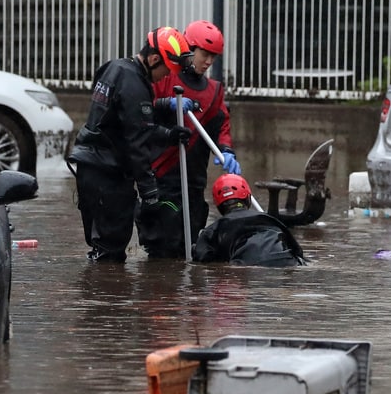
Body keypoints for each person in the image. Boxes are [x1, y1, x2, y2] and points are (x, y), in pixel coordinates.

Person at [67, 26, 196, 262]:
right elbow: (137, 145)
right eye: (167, 69)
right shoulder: (135, 84)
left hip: (89, 169)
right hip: (109, 177)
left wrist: (168, 135)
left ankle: (93, 295)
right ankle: (104, 297)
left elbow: (124, 121)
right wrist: (150, 194)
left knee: (100, 247)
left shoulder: (114, 67)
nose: (167, 76)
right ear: (154, 58)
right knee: (110, 255)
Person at [137, 19, 238, 258]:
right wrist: (166, 105)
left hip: (193, 179)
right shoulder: (165, 79)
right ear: (190, 49)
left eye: (214, 56)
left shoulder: (214, 91)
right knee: (163, 244)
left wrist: (226, 150)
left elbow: (221, 124)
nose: (209, 62)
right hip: (163, 176)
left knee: (190, 241)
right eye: (205, 54)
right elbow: (142, 111)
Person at [193, 174, 306, 267]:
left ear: (218, 205)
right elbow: (298, 251)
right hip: (287, 261)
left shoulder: (215, 228)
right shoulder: (270, 220)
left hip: (249, 264)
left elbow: (202, 257)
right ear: (248, 198)